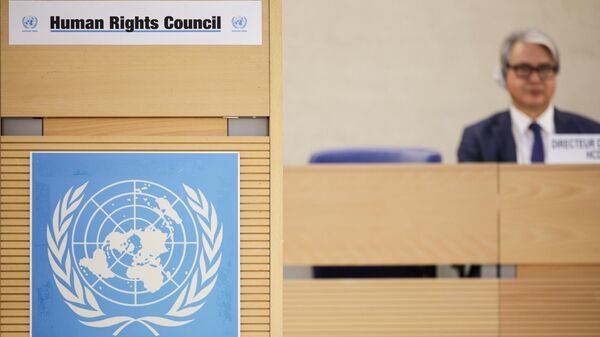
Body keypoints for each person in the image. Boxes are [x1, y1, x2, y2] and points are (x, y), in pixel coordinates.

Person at [458, 29, 600, 163]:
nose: (535, 79)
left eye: (544, 69)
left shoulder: (592, 133)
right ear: (504, 76)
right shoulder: (478, 138)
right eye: (524, 69)